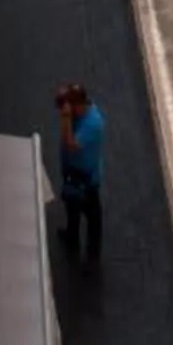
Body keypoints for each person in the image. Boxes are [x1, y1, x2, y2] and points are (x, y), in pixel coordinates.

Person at [56, 84, 104, 255]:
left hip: (86, 179)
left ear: (79, 105)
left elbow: (70, 144)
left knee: (93, 219)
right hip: (72, 173)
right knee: (72, 207)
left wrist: (66, 118)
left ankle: (92, 256)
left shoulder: (92, 123)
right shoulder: (77, 114)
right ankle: (71, 236)